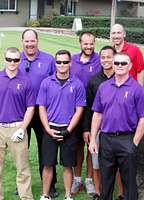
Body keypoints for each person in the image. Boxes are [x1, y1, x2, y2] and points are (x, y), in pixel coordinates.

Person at [89, 52, 144, 200]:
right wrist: (92, 140)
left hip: (127, 139)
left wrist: (134, 142)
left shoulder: (137, 89)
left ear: (129, 66)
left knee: (129, 183)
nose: (120, 66)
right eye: (117, 63)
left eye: (124, 63)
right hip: (106, 140)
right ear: (113, 65)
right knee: (106, 181)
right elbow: (97, 114)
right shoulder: (103, 87)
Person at [37, 50, 86, 200]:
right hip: (50, 128)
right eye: (59, 62)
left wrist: (69, 130)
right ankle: (45, 195)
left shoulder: (77, 84)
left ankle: (67, 195)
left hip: (68, 130)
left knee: (67, 165)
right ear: (55, 63)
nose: (62, 65)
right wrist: (47, 129)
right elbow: (41, 107)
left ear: (70, 63)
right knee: (47, 164)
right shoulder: (46, 82)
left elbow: (79, 110)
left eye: (65, 62)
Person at [19, 29, 58, 198]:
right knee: (21, 150)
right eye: (26, 41)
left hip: (44, 113)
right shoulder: (16, 59)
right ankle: (21, 185)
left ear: (37, 41)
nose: (30, 44)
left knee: (46, 150)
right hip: (22, 113)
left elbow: (55, 84)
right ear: (23, 42)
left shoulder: (48, 59)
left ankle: (50, 186)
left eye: (32, 41)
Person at [0, 47, 35, 200]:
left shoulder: (26, 81)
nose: (12, 62)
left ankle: (26, 197)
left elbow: (30, 107)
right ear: (4, 58)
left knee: (22, 168)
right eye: (9, 59)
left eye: (15, 60)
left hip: (17, 127)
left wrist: (22, 128)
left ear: (20, 60)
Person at [82, 46, 116, 200]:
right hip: (98, 129)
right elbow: (88, 107)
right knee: (96, 163)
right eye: (103, 57)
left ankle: (121, 194)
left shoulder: (122, 77)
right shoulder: (94, 80)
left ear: (115, 58)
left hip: (117, 131)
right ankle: (98, 192)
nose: (106, 60)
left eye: (109, 57)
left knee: (119, 166)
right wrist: (87, 129)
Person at [70, 31, 101, 195]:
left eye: (91, 43)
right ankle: (77, 180)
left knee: (92, 145)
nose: (88, 46)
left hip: (92, 110)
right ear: (80, 43)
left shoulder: (100, 60)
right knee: (77, 146)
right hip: (74, 110)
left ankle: (89, 180)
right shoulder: (72, 60)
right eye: (85, 43)